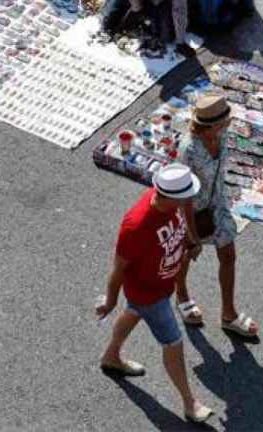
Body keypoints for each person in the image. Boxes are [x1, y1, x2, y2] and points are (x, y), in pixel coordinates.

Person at [96, 163, 213, 424]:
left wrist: (190, 242)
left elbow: (184, 216)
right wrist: (110, 301)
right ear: (168, 196)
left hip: (159, 286)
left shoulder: (171, 202)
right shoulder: (136, 226)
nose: (190, 200)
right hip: (149, 293)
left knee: (134, 312)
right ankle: (189, 403)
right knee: (173, 342)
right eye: (185, 197)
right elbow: (118, 270)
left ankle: (111, 356)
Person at [174, 93, 260, 337]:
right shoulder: (189, 150)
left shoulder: (221, 135)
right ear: (210, 125)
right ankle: (181, 294)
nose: (229, 125)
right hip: (193, 210)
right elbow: (184, 199)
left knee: (229, 255)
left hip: (217, 204)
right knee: (187, 255)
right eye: (225, 122)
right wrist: (192, 235)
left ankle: (228, 314)